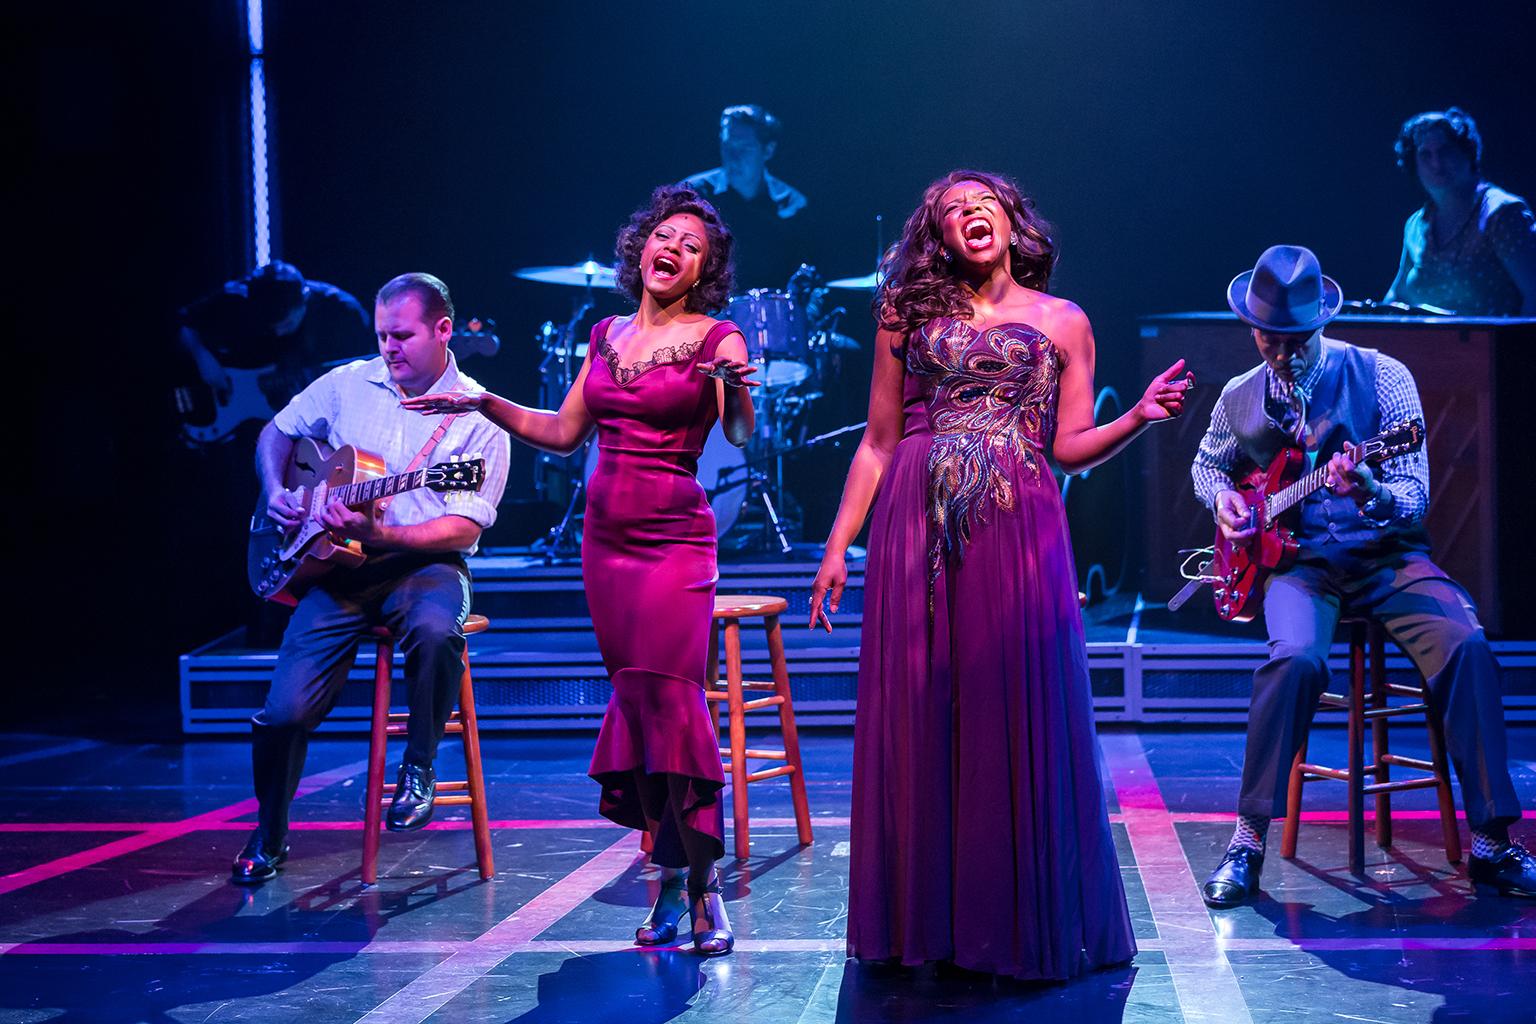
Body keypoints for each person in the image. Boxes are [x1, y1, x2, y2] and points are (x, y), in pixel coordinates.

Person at [808, 169, 1192, 979]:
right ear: (939, 238)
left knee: (1006, 704)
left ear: (1013, 225)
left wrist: (1138, 418)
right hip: (915, 521)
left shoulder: (1064, 321)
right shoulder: (905, 314)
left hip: (1019, 525)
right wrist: (840, 542)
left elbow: (1069, 445)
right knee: (923, 708)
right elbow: (877, 441)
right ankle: (927, 927)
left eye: (985, 203)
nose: (970, 213)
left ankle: (1009, 923)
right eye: (952, 211)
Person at [403, 185, 759, 956]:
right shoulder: (603, 335)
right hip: (606, 546)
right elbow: (564, 433)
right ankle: (668, 882)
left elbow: (737, 427)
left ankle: (704, 891)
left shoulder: (717, 336)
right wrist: (479, 401)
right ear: (641, 250)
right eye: (664, 236)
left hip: (674, 541)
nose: (674, 248)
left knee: (676, 706)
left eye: (692, 245)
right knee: (640, 706)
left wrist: (735, 383)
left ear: (703, 270)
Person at [1194, 245, 1534, 907]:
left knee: (1466, 645)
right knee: (1292, 661)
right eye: (1271, 337)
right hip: (1303, 569)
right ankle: (1246, 841)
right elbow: (1208, 467)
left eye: (1296, 339)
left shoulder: (1382, 377)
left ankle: (1492, 843)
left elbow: (1415, 496)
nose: (1284, 352)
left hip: (1390, 560)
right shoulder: (1239, 397)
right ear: (1254, 328)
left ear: (1319, 324)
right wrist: (1224, 502)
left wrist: (1370, 488)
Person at [231, 273, 511, 885]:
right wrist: (277, 491)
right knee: (282, 714)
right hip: (338, 567)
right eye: (382, 335)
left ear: (442, 330)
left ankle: (419, 769)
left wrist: (386, 535)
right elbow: (276, 431)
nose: (390, 347)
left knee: (440, 631)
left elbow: (463, 530)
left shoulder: (478, 416)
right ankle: (269, 833)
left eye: (403, 335)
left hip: (423, 566)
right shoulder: (348, 384)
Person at [1383, 107, 1536, 316]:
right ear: (1414, 164)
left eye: (1445, 151)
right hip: (1426, 348)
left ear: (1467, 153)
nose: (1436, 164)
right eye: (1425, 155)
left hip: (1494, 347)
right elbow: (1397, 297)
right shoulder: (1416, 225)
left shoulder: (1501, 214)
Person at [178, 260, 373, 412]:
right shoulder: (238, 293)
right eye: (270, 327)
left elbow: (361, 374)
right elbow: (184, 321)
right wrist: (203, 357)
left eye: (286, 324)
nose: (278, 333)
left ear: (305, 301)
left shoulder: (344, 313)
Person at [684, 104, 810, 290]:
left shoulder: (793, 204)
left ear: (768, 151)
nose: (734, 157)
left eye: (745, 148)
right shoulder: (693, 194)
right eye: (728, 146)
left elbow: (806, 276)